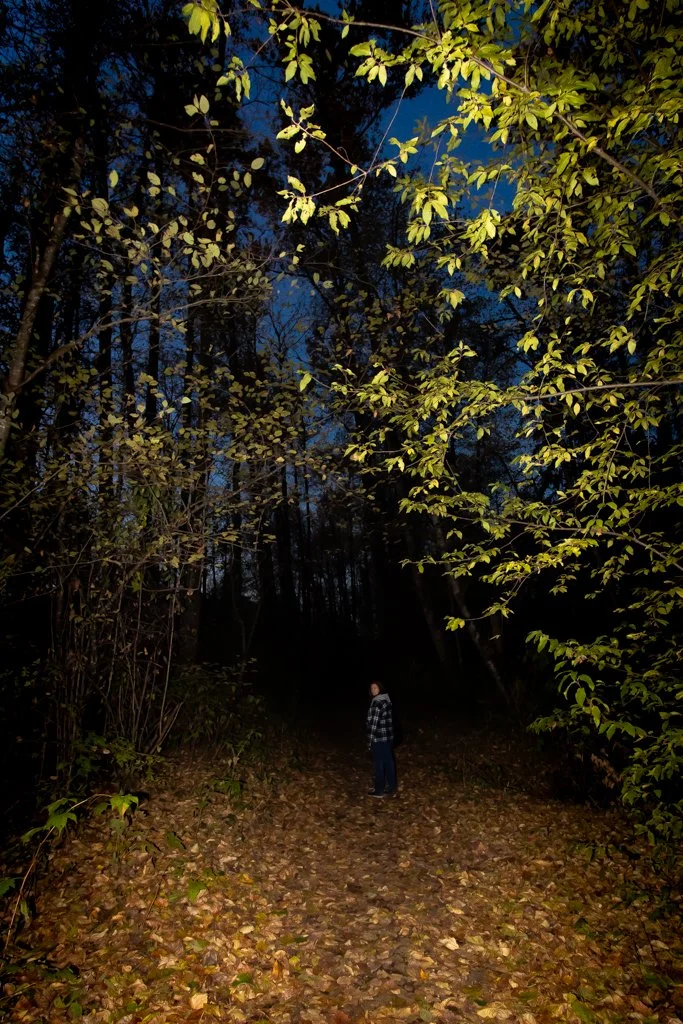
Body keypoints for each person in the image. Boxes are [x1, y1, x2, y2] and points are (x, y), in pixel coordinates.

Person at [366, 680, 396, 797]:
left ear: (380, 689)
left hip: (379, 739)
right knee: (389, 762)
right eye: (371, 688)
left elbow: (374, 724)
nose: (373, 690)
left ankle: (379, 790)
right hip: (388, 739)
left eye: (375, 688)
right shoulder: (387, 701)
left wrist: (369, 741)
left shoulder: (377, 703)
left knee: (379, 764)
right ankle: (391, 787)